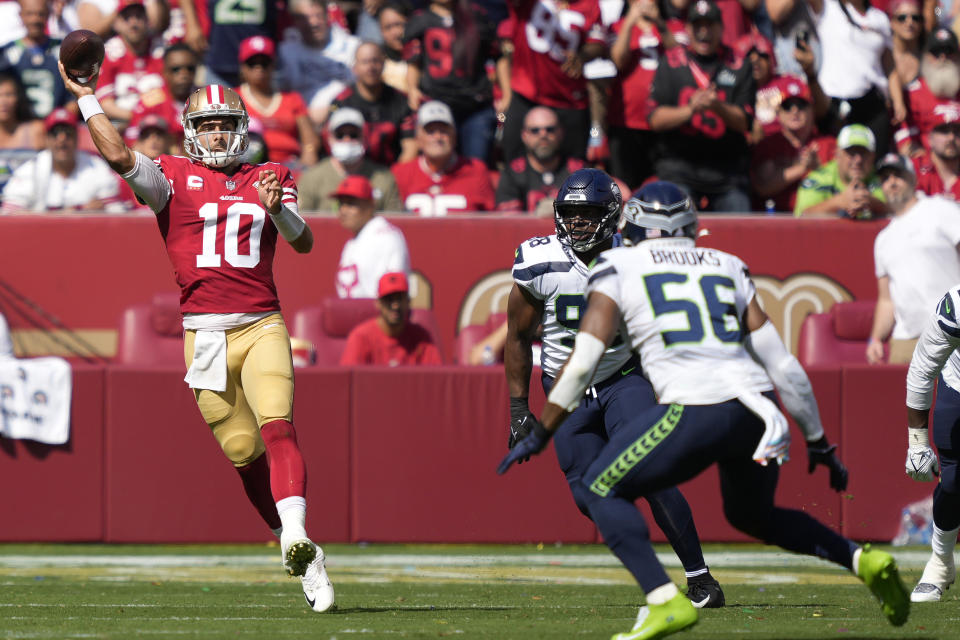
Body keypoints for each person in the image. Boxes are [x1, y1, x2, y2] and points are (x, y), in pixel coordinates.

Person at [498, 181, 909, 639]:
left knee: (599, 487)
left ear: (627, 225)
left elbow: (581, 365)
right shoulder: (727, 264)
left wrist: (539, 430)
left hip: (694, 405)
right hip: (758, 407)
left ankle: (664, 599)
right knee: (754, 516)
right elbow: (784, 365)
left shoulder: (618, 265)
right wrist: (818, 441)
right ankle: (863, 559)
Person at [57, 61, 335, 612]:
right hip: (203, 335)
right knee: (241, 451)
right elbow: (117, 156)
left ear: (242, 128)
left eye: (224, 123)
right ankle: (300, 548)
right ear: (191, 131)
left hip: (261, 324)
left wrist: (279, 213)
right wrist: (88, 97)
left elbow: (302, 244)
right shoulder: (170, 178)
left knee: (278, 424)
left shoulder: (270, 175)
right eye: (206, 124)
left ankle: (298, 534)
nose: (216, 133)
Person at [506, 169, 725, 610]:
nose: (578, 223)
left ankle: (701, 579)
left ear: (611, 216)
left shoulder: (638, 256)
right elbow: (516, 336)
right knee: (589, 496)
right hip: (564, 390)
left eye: (588, 214)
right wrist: (517, 407)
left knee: (655, 471)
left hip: (624, 379)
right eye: (570, 214)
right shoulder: (539, 260)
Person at [647, 0, 756, 212]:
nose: (704, 32)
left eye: (710, 25)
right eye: (698, 26)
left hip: (726, 172)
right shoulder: (671, 63)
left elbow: (745, 122)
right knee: (673, 215)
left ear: (722, 28)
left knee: (739, 214)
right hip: (679, 167)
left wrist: (717, 107)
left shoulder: (739, 64)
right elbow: (654, 118)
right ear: (687, 28)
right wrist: (689, 110)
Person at [867, 153, 960, 364]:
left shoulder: (940, 209)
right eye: (885, 178)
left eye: (897, 175)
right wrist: (875, 338)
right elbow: (886, 299)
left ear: (913, 178)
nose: (891, 182)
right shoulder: (883, 239)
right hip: (906, 342)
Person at [902, 282, 960, 602]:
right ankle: (940, 562)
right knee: (952, 480)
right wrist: (917, 442)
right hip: (959, 386)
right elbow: (922, 371)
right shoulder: (956, 305)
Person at [497, 0, 606, 163]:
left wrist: (582, 56)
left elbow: (597, 43)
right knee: (515, 163)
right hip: (526, 96)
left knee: (574, 168)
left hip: (569, 99)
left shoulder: (590, 4)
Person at [402, 0, 499, 162]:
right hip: (436, 103)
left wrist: (505, 93)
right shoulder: (419, 20)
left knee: (477, 162)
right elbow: (413, 62)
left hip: (475, 105)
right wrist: (412, 88)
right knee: (438, 160)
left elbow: (498, 55)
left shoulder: (476, 15)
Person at [809, 0, 906, 159]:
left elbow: (890, 66)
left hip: (872, 104)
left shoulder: (879, 18)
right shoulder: (827, 7)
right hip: (835, 100)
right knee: (836, 160)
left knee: (874, 162)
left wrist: (898, 101)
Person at [1, 108, 119, 212]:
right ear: (46, 139)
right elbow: (8, 214)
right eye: (55, 133)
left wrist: (101, 209)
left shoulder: (96, 167)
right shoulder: (30, 169)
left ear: (77, 137)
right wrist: (71, 213)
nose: (61, 139)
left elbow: (117, 212)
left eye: (68, 133)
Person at [391, 100, 495, 215]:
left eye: (444, 131)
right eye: (430, 131)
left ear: (454, 137)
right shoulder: (400, 174)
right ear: (418, 139)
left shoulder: (476, 170)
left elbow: (492, 222)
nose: (438, 137)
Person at [751, 77, 837, 212]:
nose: (795, 111)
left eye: (801, 105)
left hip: (817, 220)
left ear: (812, 110)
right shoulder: (768, 144)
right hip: (777, 220)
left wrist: (819, 169)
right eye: (788, 106)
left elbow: (840, 185)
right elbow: (762, 186)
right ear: (779, 112)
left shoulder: (829, 144)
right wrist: (802, 168)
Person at [328, 42, 417, 167]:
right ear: (355, 68)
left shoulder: (402, 101)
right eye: (364, 62)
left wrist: (390, 180)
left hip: (391, 174)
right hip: (351, 172)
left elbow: (410, 148)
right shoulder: (341, 103)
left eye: (375, 61)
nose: (370, 67)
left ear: (384, 64)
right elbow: (332, 146)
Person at [235, 36, 319, 166]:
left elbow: (310, 141)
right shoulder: (233, 99)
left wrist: (306, 163)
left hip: (289, 166)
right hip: (247, 165)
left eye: (264, 63)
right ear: (243, 67)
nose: (259, 68)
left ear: (273, 66)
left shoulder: (292, 99)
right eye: (252, 63)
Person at [298, 107, 401, 213]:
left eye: (353, 135)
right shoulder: (311, 178)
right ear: (329, 138)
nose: (347, 140)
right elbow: (301, 222)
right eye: (340, 135)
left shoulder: (384, 178)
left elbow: (395, 220)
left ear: (364, 137)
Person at [276, 0, 358, 127]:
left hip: (343, 119)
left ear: (327, 16)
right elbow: (278, 95)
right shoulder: (285, 52)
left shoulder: (353, 48)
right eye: (305, 18)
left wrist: (332, 109)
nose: (313, 23)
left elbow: (360, 93)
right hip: (300, 122)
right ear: (294, 21)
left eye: (318, 16)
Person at [495, 106, 584, 214]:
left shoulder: (579, 173)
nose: (543, 135)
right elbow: (509, 221)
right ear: (524, 135)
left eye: (550, 129)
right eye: (535, 130)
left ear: (560, 133)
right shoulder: (512, 174)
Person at [332, 175, 409, 299]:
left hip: (376, 315)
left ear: (370, 205)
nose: (343, 210)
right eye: (341, 204)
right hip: (352, 314)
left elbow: (394, 290)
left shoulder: (387, 236)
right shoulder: (352, 243)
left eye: (351, 204)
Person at [340, 271, 442, 365]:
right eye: (389, 300)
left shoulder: (421, 339)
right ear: (378, 303)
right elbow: (348, 381)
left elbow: (436, 378)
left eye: (399, 299)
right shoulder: (361, 337)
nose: (395, 306)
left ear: (408, 301)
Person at [95, 0, 165, 126]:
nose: (133, 23)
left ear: (147, 21)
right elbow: (105, 104)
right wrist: (139, 118)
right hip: (122, 124)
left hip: (160, 123)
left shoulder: (161, 50)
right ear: (116, 24)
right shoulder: (109, 53)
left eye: (138, 17)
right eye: (127, 18)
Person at [794, 123, 888, 217]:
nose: (858, 160)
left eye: (863, 153)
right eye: (851, 152)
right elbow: (801, 218)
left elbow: (897, 213)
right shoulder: (818, 179)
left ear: (873, 157)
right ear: (837, 155)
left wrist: (872, 202)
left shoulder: (880, 179)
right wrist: (839, 202)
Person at [0, 0, 69, 119]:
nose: (35, 20)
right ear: (21, 16)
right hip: (18, 128)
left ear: (48, 14)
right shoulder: (7, 54)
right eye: (30, 14)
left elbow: (74, 97)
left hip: (55, 128)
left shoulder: (64, 50)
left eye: (40, 14)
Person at [898, 27, 960, 156]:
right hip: (926, 166)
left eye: (949, 51)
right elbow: (905, 140)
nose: (943, 57)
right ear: (926, 56)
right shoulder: (911, 93)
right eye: (936, 52)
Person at [127, 42, 199, 154]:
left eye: (190, 69)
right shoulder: (149, 103)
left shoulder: (204, 100)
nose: (184, 74)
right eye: (176, 69)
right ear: (164, 72)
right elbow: (134, 144)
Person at [378, 1, 410, 93]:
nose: (396, 33)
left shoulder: (425, 57)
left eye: (399, 24)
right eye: (388, 27)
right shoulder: (377, 63)